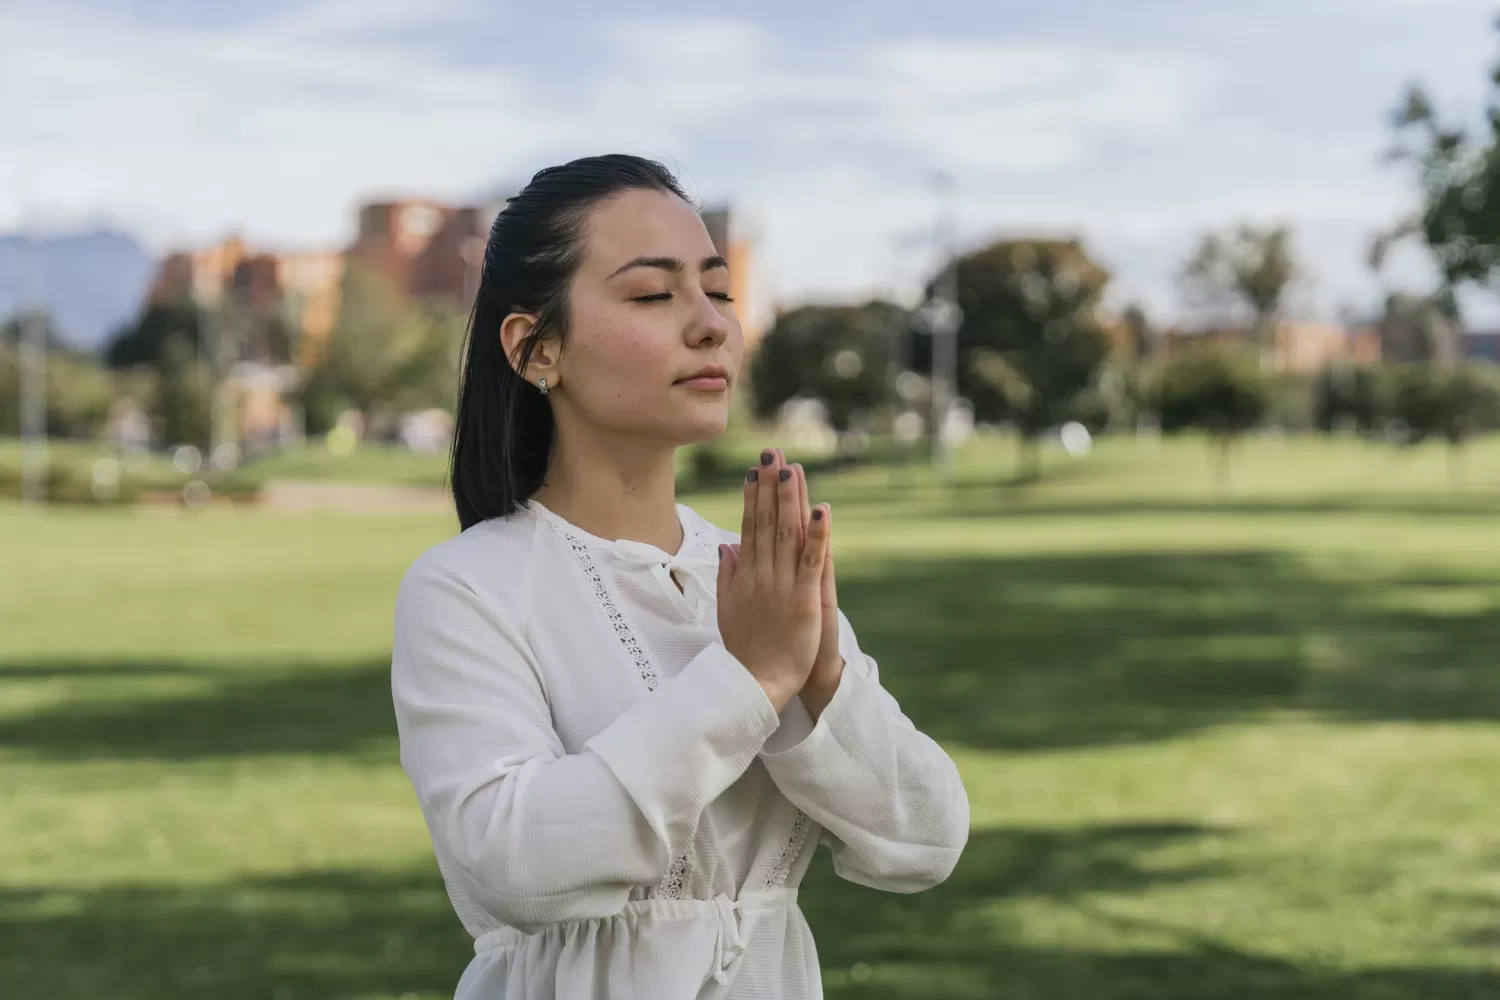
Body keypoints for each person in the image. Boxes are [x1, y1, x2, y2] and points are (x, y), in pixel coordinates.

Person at [390, 154, 970, 1000]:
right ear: (534, 347)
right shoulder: (468, 587)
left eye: (718, 292)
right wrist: (751, 682)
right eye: (654, 295)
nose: (710, 326)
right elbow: (510, 867)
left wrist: (820, 679)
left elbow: (925, 842)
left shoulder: (756, 580)